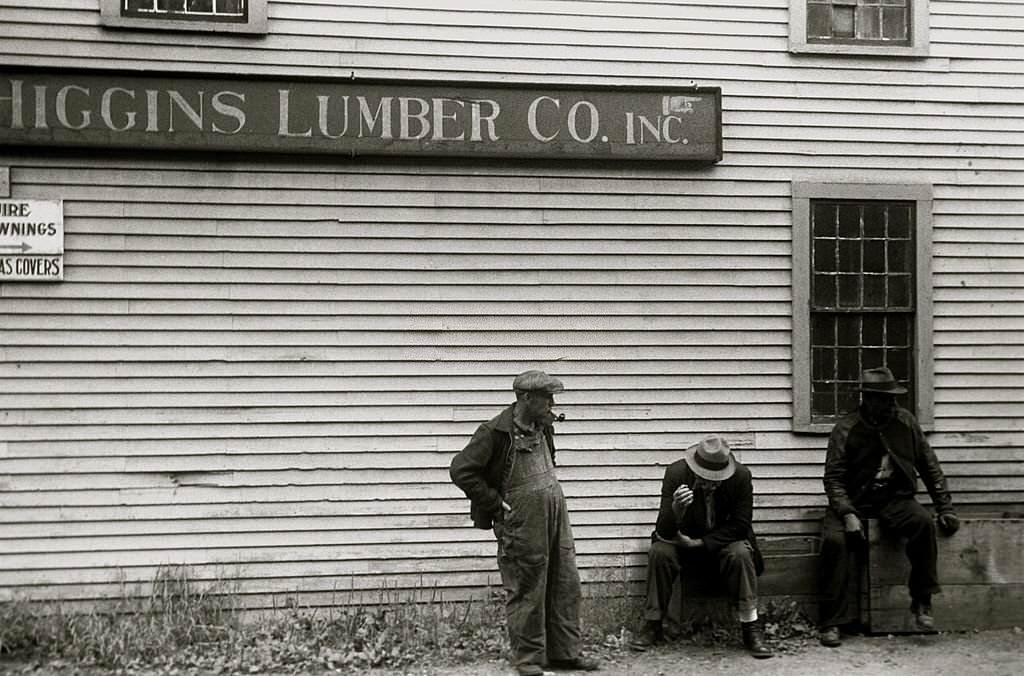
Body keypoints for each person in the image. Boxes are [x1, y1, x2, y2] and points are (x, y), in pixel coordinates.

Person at [449, 370, 599, 676]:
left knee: (565, 582)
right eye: (547, 397)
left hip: (555, 514)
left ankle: (565, 654)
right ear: (526, 398)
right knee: (527, 587)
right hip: (521, 519)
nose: (552, 403)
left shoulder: (544, 426)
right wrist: (493, 502)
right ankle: (529, 659)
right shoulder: (494, 432)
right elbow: (461, 470)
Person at [817, 367, 960, 647]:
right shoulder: (845, 428)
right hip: (853, 501)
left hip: (894, 499)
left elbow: (930, 467)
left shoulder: (906, 422)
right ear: (868, 399)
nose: (889, 404)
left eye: (892, 398)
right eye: (882, 398)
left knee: (922, 523)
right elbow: (833, 478)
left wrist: (945, 508)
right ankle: (832, 622)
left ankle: (922, 602)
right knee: (835, 543)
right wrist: (847, 513)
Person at [630, 434, 773, 659]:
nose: (711, 482)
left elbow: (740, 525)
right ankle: (653, 624)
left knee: (741, 553)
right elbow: (663, 531)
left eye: (717, 477)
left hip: (721, 545)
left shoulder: (741, 477)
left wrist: (700, 543)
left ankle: (750, 627)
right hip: (682, 545)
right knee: (659, 552)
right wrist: (676, 509)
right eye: (706, 477)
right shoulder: (676, 474)